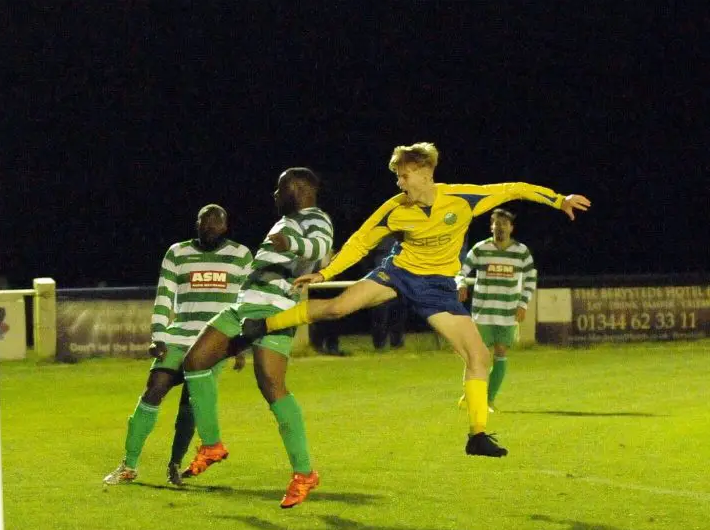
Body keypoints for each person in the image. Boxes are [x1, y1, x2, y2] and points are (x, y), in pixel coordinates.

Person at [242, 143, 590, 457]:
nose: (399, 184)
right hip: (399, 273)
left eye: (404, 176)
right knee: (337, 307)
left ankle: (478, 435)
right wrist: (324, 275)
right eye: (397, 177)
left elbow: (516, 189)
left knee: (478, 357)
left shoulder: (463, 198)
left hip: (438, 289)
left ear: (425, 174)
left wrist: (559, 200)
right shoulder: (394, 209)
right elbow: (360, 242)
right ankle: (262, 324)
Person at [181, 168, 333, 508]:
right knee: (195, 362)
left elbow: (320, 246)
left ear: (297, 188)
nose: (274, 195)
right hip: (244, 307)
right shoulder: (288, 220)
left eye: (279, 189)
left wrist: (291, 243)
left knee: (271, 386)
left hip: (274, 310)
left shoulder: (314, 218)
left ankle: (304, 472)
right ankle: (211, 444)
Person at [103, 204, 252, 487]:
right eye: (205, 223)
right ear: (196, 224)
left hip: (214, 342)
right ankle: (129, 465)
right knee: (154, 389)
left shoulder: (241, 255)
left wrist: (240, 344)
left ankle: (174, 465)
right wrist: (158, 335)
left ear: (225, 227)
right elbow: (164, 296)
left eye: (216, 224)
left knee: (190, 405)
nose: (210, 228)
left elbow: (244, 303)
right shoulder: (178, 253)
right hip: (179, 336)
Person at [456, 207, 536, 412]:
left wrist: (523, 304)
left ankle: (488, 400)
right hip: (483, 312)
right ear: (491, 226)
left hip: (508, 313)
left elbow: (530, 278)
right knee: (478, 356)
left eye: (504, 223)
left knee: (501, 353)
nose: (500, 227)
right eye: (496, 223)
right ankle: (471, 393)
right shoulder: (481, 249)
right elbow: (460, 270)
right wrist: (461, 284)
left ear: (511, 227)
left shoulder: (521, 252)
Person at [369, 234, 407, 350]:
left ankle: (397, 342)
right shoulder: (380, 233)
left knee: (399, 309)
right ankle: (379, 344)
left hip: (399, 272)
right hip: (381, 274)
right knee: (381, 310)